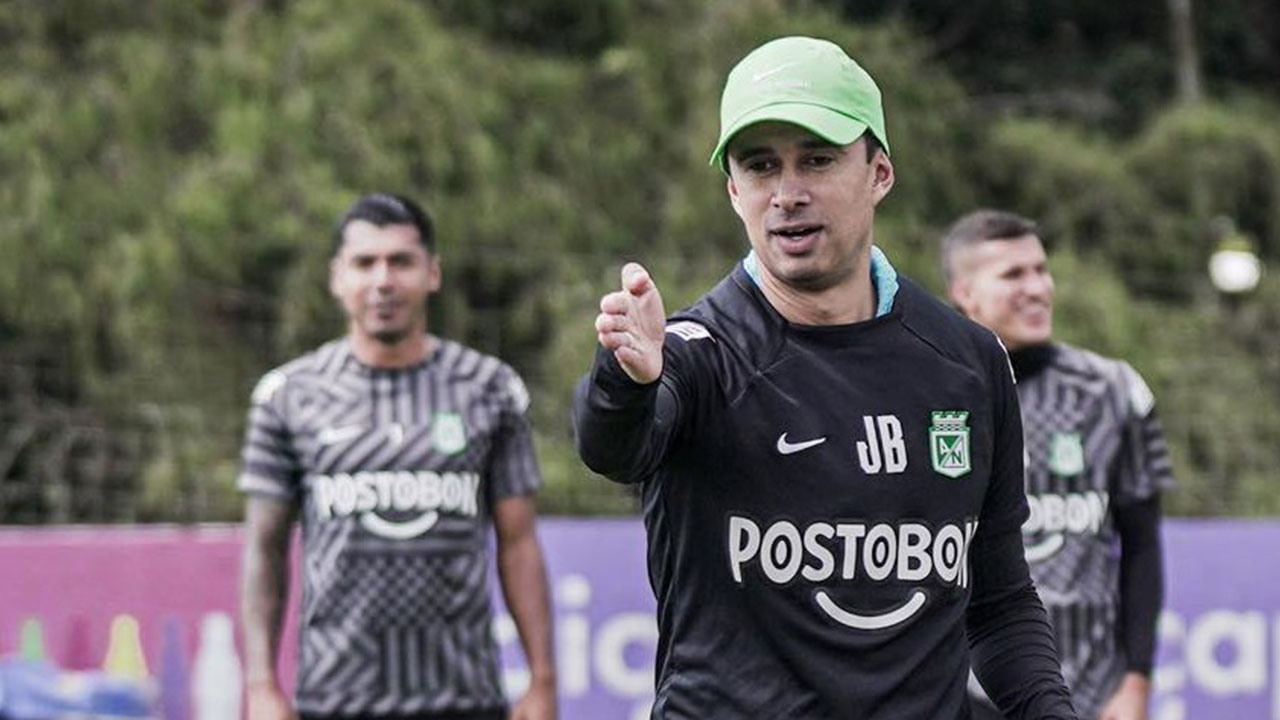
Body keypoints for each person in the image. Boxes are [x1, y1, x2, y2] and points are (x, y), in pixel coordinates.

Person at [572, 36, 1078, 719]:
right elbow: (613, 446)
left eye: (816, 159)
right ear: (733, 191)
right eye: (760, 167)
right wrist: (624, 380)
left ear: (879, 174)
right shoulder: (694, 353)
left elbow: (998, 604)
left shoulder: (969, 361)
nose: (787, 193)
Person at [238, 193, 557, 720]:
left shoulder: (490, 389)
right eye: (365, 263)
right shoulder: (287, 396)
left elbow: (518, 543)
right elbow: (264, 549)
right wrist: (260, 686)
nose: (383, 280)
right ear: (337, 277)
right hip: (334, 700)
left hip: (465, 699)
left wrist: (542, 681)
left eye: (401, 261)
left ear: (432, 273)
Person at [941, 210, 1172, 720]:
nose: (1037, 288)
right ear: (965, 293)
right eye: (1012, 275)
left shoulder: (1114, 392)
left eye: (1041, 270)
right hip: (966, 694)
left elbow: (1142, 547)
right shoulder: (933, 394)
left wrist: (1136, 682)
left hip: (1090, 693)